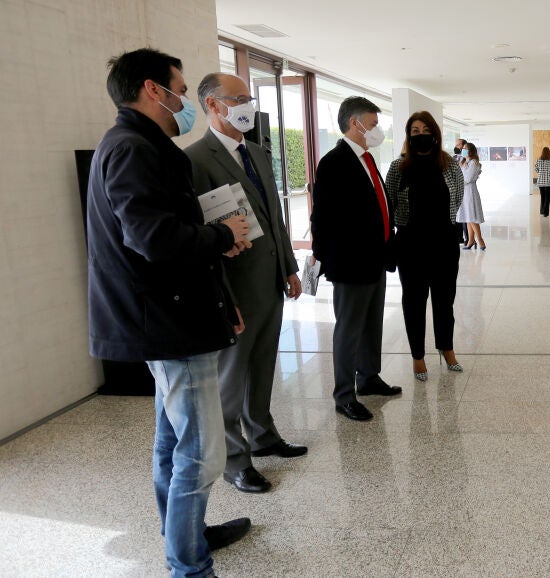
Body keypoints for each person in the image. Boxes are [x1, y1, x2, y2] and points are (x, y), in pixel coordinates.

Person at [86, 48, 252, 578]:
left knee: (173, 440)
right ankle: (189, 566)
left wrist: (221, 292)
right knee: (201, 454)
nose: (184, 101)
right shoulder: (132, 149)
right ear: (152, 90)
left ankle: (186, 533)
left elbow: (169, 232)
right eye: (179, 90)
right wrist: (220, 234)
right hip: (168, 323)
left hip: (173, 316)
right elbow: (152, 238)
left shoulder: (142, 145)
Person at [185, 73, 307, 495]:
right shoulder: (194, 160)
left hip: (269, 280)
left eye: (248, 99)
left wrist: (289, 267)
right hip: (233, 285)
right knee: (230, 378)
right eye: (238, 99)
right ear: (213, 104)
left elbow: (273, 215)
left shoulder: (255, 151)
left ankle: (263, 434)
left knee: (263, 365)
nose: (247, 107)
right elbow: (198, 232)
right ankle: (235, 461)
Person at [311, 96, 402, 422]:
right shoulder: (334, 162)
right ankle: (344, 395)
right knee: (349, 329)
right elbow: (322, 217)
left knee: (371, 323)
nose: (377, 130)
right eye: (373, 124)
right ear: (355, 123)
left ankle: (368, 377)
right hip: (351, 264)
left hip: (375, 258)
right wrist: (325, 260)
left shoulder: (367, 158)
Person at [384, 111, 464, 382]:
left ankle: (447, 348)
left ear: (435, 134)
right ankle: (417, 356)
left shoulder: (449, 165)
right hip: (411, 244)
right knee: (414, 301)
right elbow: (390, 202)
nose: (421, 135)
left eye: (425, 131)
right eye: (415, 131)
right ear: (409, 136)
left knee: (445, 300)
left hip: (445, 243)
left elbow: (457, 198)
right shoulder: (398, 167)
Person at [458, 142, 486, 250]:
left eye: (465, 148)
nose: (463, 150)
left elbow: (468, 178)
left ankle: (480, 240)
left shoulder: (473, 163)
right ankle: (470, 241)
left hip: (470, 191)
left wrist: (458, 180)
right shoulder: (465, 162)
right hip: (464, 191)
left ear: (471, 151)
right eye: (463, 148)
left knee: (472, 217)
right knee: (468, 217)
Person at [452, 138, 468, 244]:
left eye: (458, 145)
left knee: (465, 214)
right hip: (455, 189)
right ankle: (459, 237)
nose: (456, 146)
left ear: (463, 146)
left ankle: (468, 238)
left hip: (465, 189)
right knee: (457, 214)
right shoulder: (454, 157)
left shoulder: (466, 158)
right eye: (456, 144)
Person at [534, 147, 550, 217]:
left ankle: (542, 211)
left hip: (541, 181)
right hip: (549, 181)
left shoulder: (538, 160)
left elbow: (536, 169)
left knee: (542, 196)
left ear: (542, 152)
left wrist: (541, 172)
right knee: (548, 197)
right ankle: (546, 213)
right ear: (549, 152)